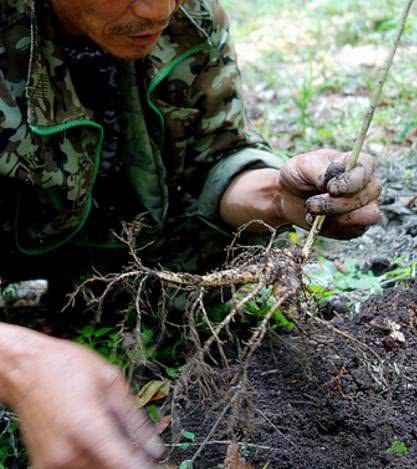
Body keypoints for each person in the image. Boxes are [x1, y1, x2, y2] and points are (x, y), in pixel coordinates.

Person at [0, 0, 381, 467]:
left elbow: (214, 157)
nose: (158, 9)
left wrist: (278, 195)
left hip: (118, 244)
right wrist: (19, 361)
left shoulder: (191, 17)